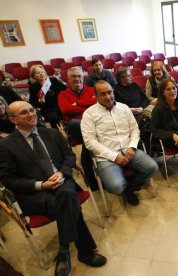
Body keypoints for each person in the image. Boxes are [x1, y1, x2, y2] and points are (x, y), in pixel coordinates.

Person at [0, 101, 106, 276]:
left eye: (32, 110)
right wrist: (41, 184)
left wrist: (62, 173)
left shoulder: (51, 133)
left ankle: (64, 251)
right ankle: (85, 252)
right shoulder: (6, 145)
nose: (31, 114)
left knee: (66, 195)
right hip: (35, 192)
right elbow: (9, 179)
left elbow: (69, 156)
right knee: (70, 203)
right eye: (24, 112)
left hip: (61, 181)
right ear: (13, 120)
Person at [81, 81, 158, 205]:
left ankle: (129, 189)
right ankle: (124, 188)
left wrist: (132, 147)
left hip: (129, 150)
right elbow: (90, 142)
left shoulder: (124, 108)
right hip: (107, 156)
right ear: (96, 96)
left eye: (110, 92)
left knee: (152, 167)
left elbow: (134, 130)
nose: (108, 96)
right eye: (102, 94)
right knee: (116, 187)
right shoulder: (89, 114)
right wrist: (114, 156)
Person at [58, 67, 98, 190]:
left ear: (83, 77)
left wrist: (78, 103)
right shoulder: (63, 94)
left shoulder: (92, 90)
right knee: (76, 122)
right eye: (73, 76)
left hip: (95, 125)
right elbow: (65, 109)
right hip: (76, 129)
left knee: (87, 145)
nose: (77, 79)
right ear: (68, 80)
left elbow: (98, 101)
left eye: (79, 76)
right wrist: (88, 104)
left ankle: (92, 182)